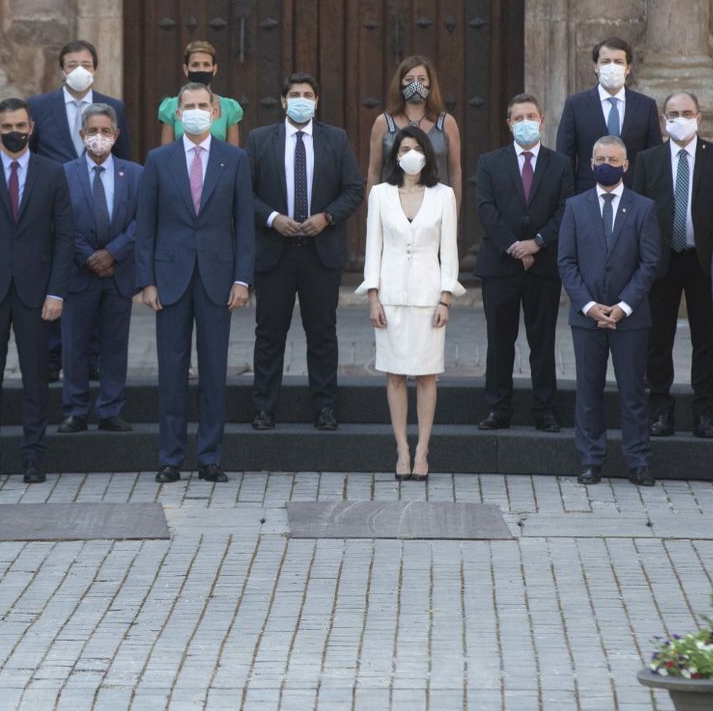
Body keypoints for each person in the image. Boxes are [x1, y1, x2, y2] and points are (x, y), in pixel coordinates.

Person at [135, 82, 255, 483]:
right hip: (169, 278)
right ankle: (170, 457)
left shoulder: (234, 160)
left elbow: (245, 225)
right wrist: (146, 281)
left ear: (216, 113)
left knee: (213, 370)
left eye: (204, 105)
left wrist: (242, 278)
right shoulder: (158, 160)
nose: (197, 111)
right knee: (171, 371)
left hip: (218, 279)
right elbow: (146, 225)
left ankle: (209, 457)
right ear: (177, 113)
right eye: (189, 106)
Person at [0, 98, 73, 485]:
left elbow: (64, 238)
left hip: (36, 294)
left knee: (36, 380)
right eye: (7, 126)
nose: (14, 132)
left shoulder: (53, 174)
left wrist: (57, 292)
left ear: (32, 128)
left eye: (20, 125)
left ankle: (34, 459)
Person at [246, 73, 365, 431]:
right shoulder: (259, 140)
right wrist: (271, 218)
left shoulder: (336, 139)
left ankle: (325, 407)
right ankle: (264, 408)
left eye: (308, 95)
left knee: (322, 333)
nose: (301, 100)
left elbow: (354, 189)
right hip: (274, 251)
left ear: (316, 101)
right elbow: (244, 192)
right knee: (269, 334)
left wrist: (327, 217)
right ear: (283, 102)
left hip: (320, 252)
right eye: (294, 95)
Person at [357, 126, 465, 481]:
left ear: (427, 154)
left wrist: (446, 298)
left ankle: (423, 451)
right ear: (396, 155)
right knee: (395, 375)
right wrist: (373, 295)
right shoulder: (380, 195)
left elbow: (448, 251)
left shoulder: (443, 195)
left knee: (428, 376)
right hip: (390, 296)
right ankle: (402, 449)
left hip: (427, 297)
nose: (411, 154)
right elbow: (374, 247)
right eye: (405, 148)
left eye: (417, 147)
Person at [628, 92, 713, 438]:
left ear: (699, 117)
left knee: (704, 338)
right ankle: (660, 409)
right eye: (672, 114)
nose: (680, 119)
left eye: (686, 112)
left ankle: (704, 410)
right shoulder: (648, 160)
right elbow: (639, 213)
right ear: (663, 120)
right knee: (658, 339)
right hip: (661, 261)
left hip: (704, 260)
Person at [556, 135, 661, 486]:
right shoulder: (575, 206)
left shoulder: (643, 208)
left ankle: (638, 460)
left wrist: (623, 307)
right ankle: (590, 460)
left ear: (626, 166)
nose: (607, 165)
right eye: (601, 158)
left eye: (614, 160)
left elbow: (649, 264)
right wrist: (588, 306)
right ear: (590, 163)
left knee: (633, 392)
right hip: (587, 317)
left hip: (630, 318)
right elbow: (566, 262)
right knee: (588, 390)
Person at [28, 39, 131, 383]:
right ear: (61, 69)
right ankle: (55, 357)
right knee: (59, 282)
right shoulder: (40, 106)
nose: (79, 70)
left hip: (101, 207)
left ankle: (95, 360)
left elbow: (125, 155)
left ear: (96, 67)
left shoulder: (112, 105)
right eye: (71, 64)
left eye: (85, 63)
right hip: (56, 209)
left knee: (100, 290)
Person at [474, 93, 569, 433]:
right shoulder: (490, 162)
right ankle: (498, 409)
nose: (526, 122)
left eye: (532, 116)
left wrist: (538, 243)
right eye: (519, 118)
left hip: (542, 266)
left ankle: (544, 409)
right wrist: (515, 246)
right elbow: (486, 208)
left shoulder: (560, 164)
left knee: (541, 341)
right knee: (500, 341)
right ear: (509, 124)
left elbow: (564, 209)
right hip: (500, 265)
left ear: (542, 121)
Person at [58, 104, 141, 433]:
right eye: (92, 131)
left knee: (114, 345)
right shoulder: (63, 174)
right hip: (80, 274)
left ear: (116, 135)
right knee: (75, 345)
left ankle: (110, 409)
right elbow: (60, 222)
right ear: (81, 135)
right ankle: (76, 410)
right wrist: (88, 255)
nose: (99, 137)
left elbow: (142, 219)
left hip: (118, 273)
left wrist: (113, 253)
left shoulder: (135, 173)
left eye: (106, 132)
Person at [555, 38, 661, 194]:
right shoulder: (576, 105)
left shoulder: (646, 106)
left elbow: (654, 158)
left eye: (618, 62)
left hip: (634, 197)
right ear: (596, 67)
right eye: (605, 62)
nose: (612, 67)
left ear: (628, 68)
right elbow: (565, 157)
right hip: (588, 196)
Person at [364, 55, 463, 214]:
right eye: (409, 79)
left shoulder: (447, 123)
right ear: (400, 84)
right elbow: (374, 172)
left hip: (436, 209)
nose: (416, 84)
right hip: (392, 210)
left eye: (422, 79)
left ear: (430, 84)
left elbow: (455, 172)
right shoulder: (383, 123)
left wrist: (454, 215)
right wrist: (372, 216)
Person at [158, 40, 243, 146]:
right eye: (195, 65)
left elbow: (233, 155)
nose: (201, 69)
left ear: (214, 69)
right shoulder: (171, 107)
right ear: (186, 69)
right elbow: (166, 154)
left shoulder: (229, 107)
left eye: (206, 65)